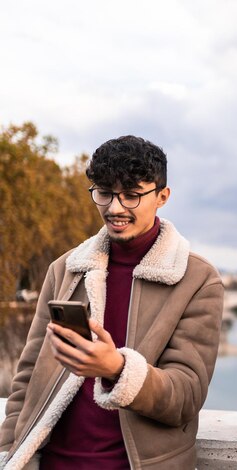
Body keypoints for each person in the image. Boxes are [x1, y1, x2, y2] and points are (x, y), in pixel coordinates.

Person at [0, 136, 224, 469]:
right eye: (104, 193)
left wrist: (117, 370)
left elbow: (186, 396)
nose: (115, 208)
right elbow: (28, 375)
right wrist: (10, 449)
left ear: (162, 196)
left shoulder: (198, 278)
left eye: (132, 195)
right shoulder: (64, 269)